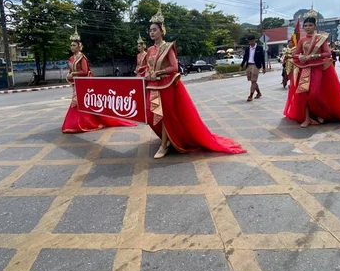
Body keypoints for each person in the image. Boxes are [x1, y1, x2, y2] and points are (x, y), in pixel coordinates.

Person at [144, 10, 246, 159]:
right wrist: (148, 74)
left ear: (162, 31)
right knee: (152, 112)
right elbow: (148, 67)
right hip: (153, 85)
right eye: (150, 30)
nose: (152, 33)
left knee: (166, 115)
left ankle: (164, 145)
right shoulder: (150, 49)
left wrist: (158, 73)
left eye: (155, 30)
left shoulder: (168, 47)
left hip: (167, 84)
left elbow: (174, 67)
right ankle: (170, 138)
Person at [283, 8, 340, 128]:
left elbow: (327, 54)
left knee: (314, 94)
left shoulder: (321, 39)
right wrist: (301, 56)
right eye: (305, 25)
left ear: (314, 26)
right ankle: (307, 118)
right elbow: (295, 54)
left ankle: (320, 114)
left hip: (317, 68)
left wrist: (313, 56)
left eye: (310, 25)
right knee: (303, 94)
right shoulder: (302, 40)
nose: (307, 27)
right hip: (305, 69)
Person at [61, 28, 137, 133]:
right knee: (78, 103)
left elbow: (85, 71)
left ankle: (83, 123)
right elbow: (70, 70)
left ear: (79, 46)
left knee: (80, 103)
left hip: (83, 84)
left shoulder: (82, 58)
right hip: (75, 84)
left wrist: (74, 74)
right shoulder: (71, 58)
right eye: (71, 45)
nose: (72, 47)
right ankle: (77, 123)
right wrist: (69, 75)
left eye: (74, 45)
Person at [240, 35, 266, 101]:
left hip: (256, 65)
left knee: (253, 80)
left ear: (255, 40)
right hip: (249, 65)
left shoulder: (259, 48)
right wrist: (241, 65)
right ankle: (259, 93)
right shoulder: (247, 48)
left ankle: (250, 95)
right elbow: (245, 58)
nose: (251, 43)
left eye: (252, 41)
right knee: (252, 81)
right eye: (249, 41)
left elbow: (262, 58)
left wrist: (264, 67)